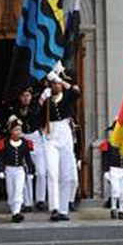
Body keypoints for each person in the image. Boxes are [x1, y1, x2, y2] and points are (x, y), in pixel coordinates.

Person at [39, 72, 80, 222]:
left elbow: (76, 92)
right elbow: (40, 118)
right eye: (53, 83)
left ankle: (63, 209)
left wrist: (62, 80)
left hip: (64, 132)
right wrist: (41, 102)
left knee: (66, 173)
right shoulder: (47, 100)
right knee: (52, 172)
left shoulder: (68, 96)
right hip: (51, 135)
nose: (56, 85)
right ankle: (54, 208)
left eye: (57, 83)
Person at [9, 87, 47, 212]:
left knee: (41, 172)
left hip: (36, 138)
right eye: (23, 95)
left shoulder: (37, 108)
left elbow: (41, 117)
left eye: (28, 95)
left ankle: (40, 199)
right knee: (26, 173)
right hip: (24, 138)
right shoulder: (15, 110)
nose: (26, 98)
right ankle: (27, 201)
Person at [0, 116, 35, 223]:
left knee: (19, 190)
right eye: (16, 130)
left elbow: (28, 158)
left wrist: (30, 171)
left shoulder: (25, 143)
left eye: (19, 129)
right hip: (9, 169)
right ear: (11, 131)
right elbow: (0, 158)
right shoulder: (4, 143)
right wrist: (1, 170)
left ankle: (17, 212)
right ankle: (14, 211)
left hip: (20, 170)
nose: (18, 132)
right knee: (11, 191)